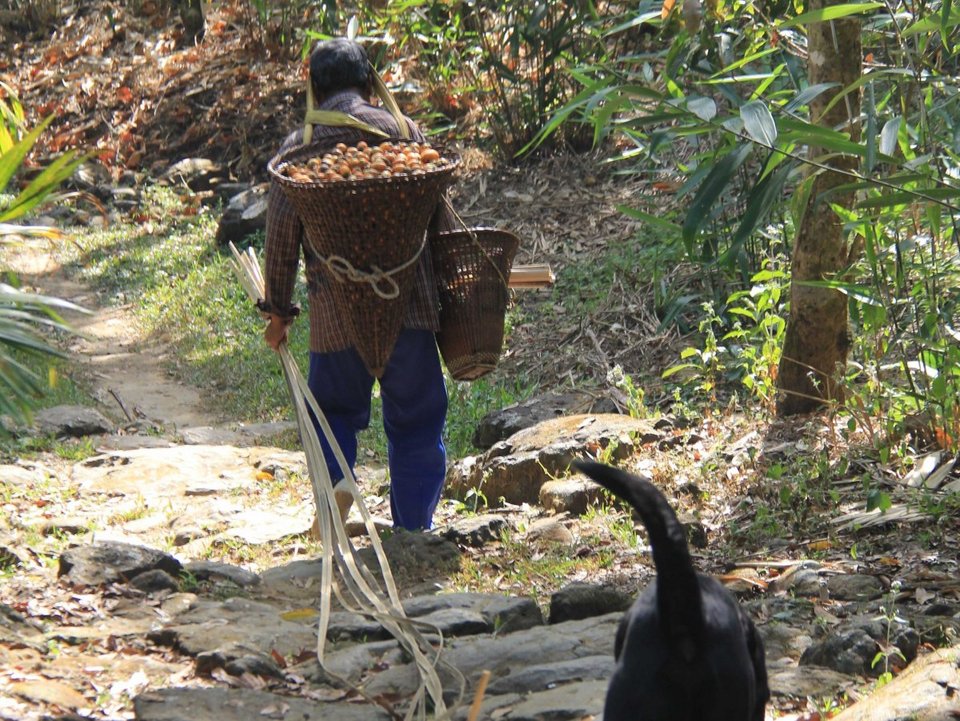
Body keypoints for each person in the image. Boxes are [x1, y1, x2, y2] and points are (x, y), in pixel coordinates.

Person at [261, 38, 455, 531]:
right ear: (371, 83)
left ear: (312, 86)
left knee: (331, 413)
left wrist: (278, 311)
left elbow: (281, 238)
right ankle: (413, 527)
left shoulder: (298, 149)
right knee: (416, 421)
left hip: (335, 317)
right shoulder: (406, 135)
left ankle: (336, 482)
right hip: (407, 310)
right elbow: (441, 221)